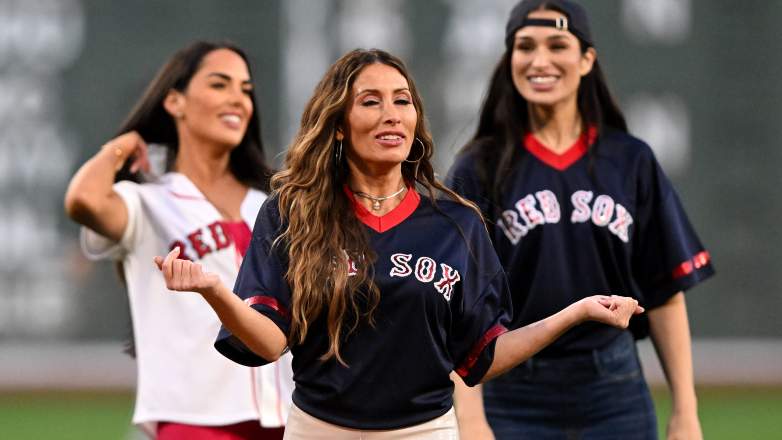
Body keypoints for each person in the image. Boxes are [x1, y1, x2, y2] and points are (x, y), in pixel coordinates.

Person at [153, 48, 644, 440]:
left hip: (424, 432)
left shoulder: (456, 224)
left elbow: (481, 357)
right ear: (339, 125)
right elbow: (270, 341)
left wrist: (575, 312)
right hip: (318, 431)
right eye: (371, 101)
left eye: (402, 100)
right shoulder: (291, 214)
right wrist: (214, 291)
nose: (391, 115)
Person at [446, 1, 715, 439]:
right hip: (511, 390)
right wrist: (472, 417)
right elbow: (458, 306)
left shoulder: (630, 160)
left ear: (587, 58)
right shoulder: (479, 168)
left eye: (557, 45)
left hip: (613, 389)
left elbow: (665, 293)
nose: (540, 60)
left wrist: (686, 410)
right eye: (525, 46)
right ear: (509, 58)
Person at [64, 41, 293, 439]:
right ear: (175, 101)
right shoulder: (148, 202)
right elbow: (83, 200)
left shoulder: (271, 205)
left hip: (286, 413)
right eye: (220, 84)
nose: (237, 99)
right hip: (195, 417)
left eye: (245, 89)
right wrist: (122, 146)